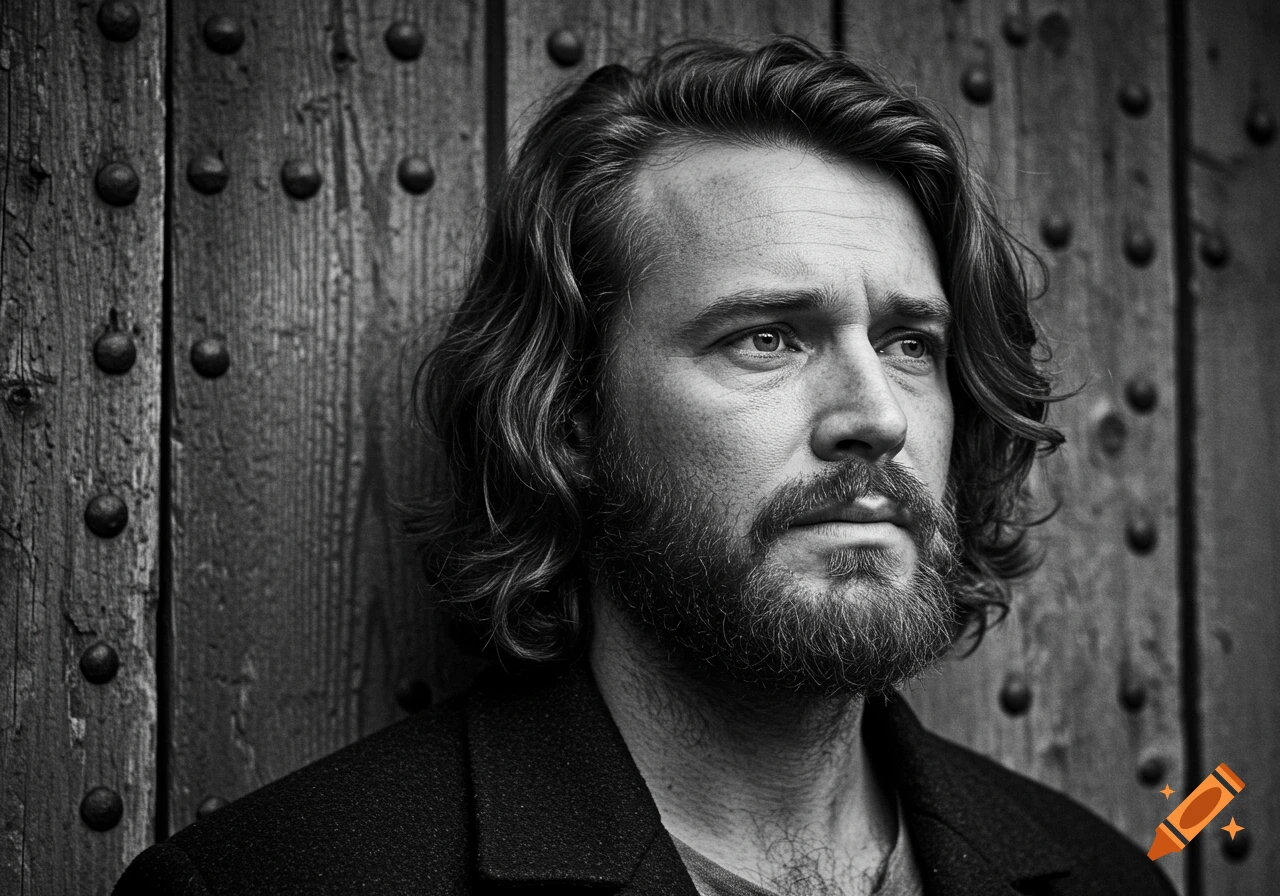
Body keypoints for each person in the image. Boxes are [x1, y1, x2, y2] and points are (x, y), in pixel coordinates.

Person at [115, 37, 1178, 896]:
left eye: (911, 343)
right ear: (570, 412)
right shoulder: (278, 880)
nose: (877, 416)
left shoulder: (1103, 876)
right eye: (767, 337)